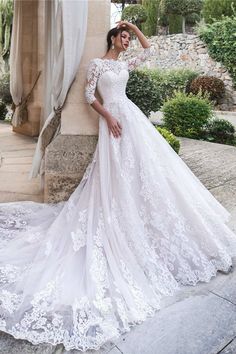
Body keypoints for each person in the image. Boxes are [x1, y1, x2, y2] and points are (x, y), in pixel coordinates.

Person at [0, 21, 236, 352]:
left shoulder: (125, 62)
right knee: (115, 177)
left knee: (145, 174)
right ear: (111, 38)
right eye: (122, 37)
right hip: (113, 120)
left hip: (132, 120)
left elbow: (149, 49)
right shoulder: (97, 64)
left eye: (127, 38)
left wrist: (135, 26)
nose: (126, 42)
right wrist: (107, 117)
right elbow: (87, 94)